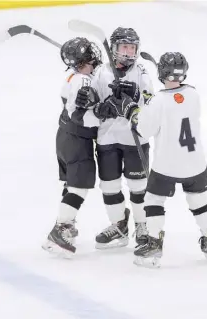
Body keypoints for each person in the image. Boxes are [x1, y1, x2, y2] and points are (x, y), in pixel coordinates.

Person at [100, 52, 207, 267]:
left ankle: (154, 244)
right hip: (196, 162)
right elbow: (175, 104)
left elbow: (143, 129)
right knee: (199, 200)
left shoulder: (158, 102)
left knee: (154, 200)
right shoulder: (193, 94)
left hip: (168, 164)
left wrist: (130, 109)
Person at [76, 27, 154, 249]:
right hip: (107, 138)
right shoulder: (101, 72)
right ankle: (119, 226)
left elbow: (151, 101)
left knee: (138, 185)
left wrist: (137, 95)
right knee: (109, 186)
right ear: (114, 48)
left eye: (132, 47)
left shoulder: (141, 71)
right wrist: (92, 101)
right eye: (124, 47)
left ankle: (142, 225)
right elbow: (92, 99)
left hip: (134, 138)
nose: (129, 52)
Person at [42, 37, 115, 257]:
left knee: (72, 183)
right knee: (79, 187)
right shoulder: (82, 82)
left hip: (64, 137)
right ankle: (60, 229)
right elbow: (79, 117)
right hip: (76, 139)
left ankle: (68, 223)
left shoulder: (75, 77)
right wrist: (101, 113)